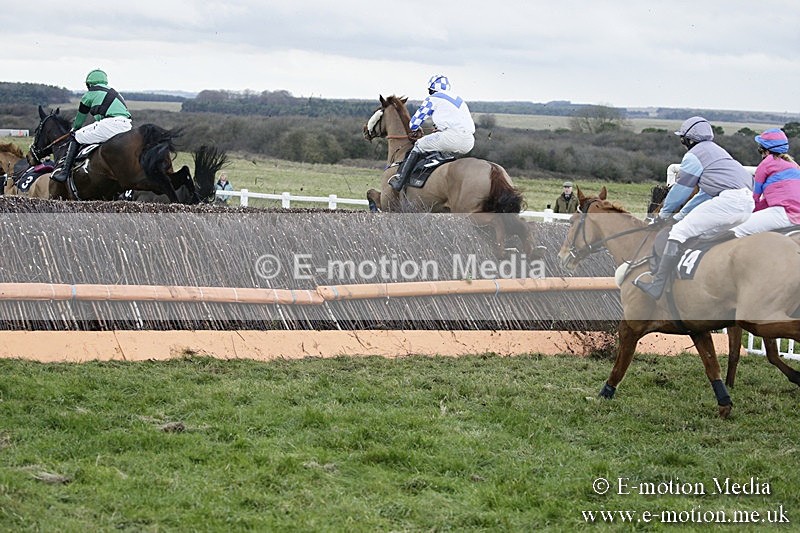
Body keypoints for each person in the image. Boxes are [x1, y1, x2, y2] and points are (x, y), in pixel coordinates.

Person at [634, 116, 754, 300]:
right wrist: (680, 215)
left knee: (678, 233)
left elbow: (680, 191)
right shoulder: (718, 152)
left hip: (729, 201)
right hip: (746, 203)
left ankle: (657, 286)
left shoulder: (694, 155)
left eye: (682, 138)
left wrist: (664, 214)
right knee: (702, 236)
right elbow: (703, 195)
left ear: (688, 139)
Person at [388, 74, 475, 191]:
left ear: (431, 89)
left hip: (451, 138)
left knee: (419, 145)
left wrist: (415, 128)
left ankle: (400, 181)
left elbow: (414, 123)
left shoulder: (434, 98)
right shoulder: (458, 99)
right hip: (469, 141)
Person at [52, 69, 132, 183]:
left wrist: (74, 129)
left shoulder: (89, 95)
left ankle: (64, 172)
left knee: (76, 136)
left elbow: (80, 121)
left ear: (89, 83)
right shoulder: (116, 93)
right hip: (127, 125)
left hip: (109, 124)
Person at [731, 128, 800, 237]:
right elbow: (768, 201)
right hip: (794, 214)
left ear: (766, 151)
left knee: (736, 230)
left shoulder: (766, 164)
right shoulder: (795, 166)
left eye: (760, 149)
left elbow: (755, 198)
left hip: (784, 214)